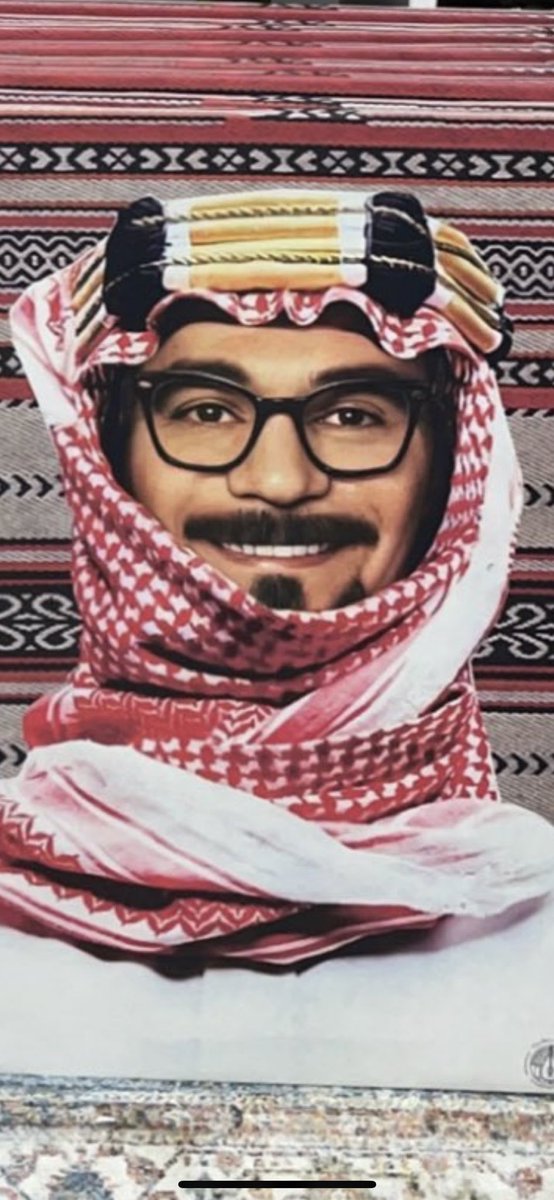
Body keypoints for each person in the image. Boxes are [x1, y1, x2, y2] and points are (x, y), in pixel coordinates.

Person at [2, 187, 553, 968]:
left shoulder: (532, 931)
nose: (281, 481)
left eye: (354, 415)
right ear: (110, 465)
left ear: (450, 471)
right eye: (206, 412)